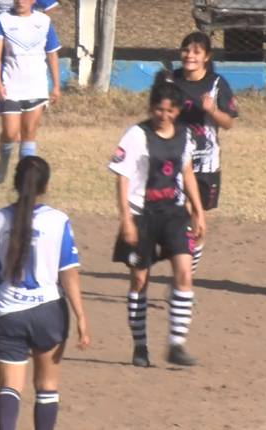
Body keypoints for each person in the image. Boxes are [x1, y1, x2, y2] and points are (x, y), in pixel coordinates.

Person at [0, 156, 90, 430]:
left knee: (9, 387)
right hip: (49, 312)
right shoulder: (57, 221)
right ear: (47, 185)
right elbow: (68, 273)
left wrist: (8, 294)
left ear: (16, 183)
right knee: (47, 386)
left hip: (7, 313)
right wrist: (81, 317)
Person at [109, 72, 206, 367]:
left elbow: (187, 172)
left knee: (184, 272)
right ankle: (140, 346)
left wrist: (198, 211)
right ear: (151, 108)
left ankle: (176, 343)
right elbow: (122, 179)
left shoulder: (185, 136)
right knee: (139, 280)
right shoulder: (136, 135)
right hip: (141, 215)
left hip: (174, 213)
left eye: (169, 111)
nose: (163, 115)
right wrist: (126, 219)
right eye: (158, 109)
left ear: (177, 112)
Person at [173, 31, 238, 273]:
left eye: (196, 52)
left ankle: (185, 275)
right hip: (177, 159)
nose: (189, 56)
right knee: (186, 212)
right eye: (186, 50)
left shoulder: (217, 84)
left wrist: (212, 110)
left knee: (198, 226)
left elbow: (229, 122)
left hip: (206, 163)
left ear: (207, 57)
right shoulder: (171, 81)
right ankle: (182, 277)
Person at [0, 0, 61, 184]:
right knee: (11, 133)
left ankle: (24, 179)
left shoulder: (44, 22)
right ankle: (4, 160)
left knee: (29, 133)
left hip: (36, 86)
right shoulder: (2, 20)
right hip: (11, 86)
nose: (20, 1)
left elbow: (52, 54)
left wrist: (56, 85)